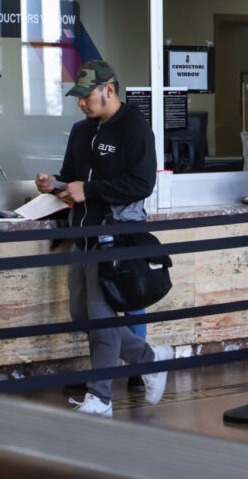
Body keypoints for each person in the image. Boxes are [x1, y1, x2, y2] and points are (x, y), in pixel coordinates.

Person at [34, 59, 174, 416]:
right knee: (83, 314)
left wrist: (90, 190)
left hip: (113, 235)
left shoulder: (135, 128)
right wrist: (55, 185)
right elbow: (72, 179)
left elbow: (142, 184)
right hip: (81, 233)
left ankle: (100, 398)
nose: (80, 103)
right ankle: (150, 358)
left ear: (108, 90)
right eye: (77, 97)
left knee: (100, 315)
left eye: (85, 95)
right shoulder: (82, 131)